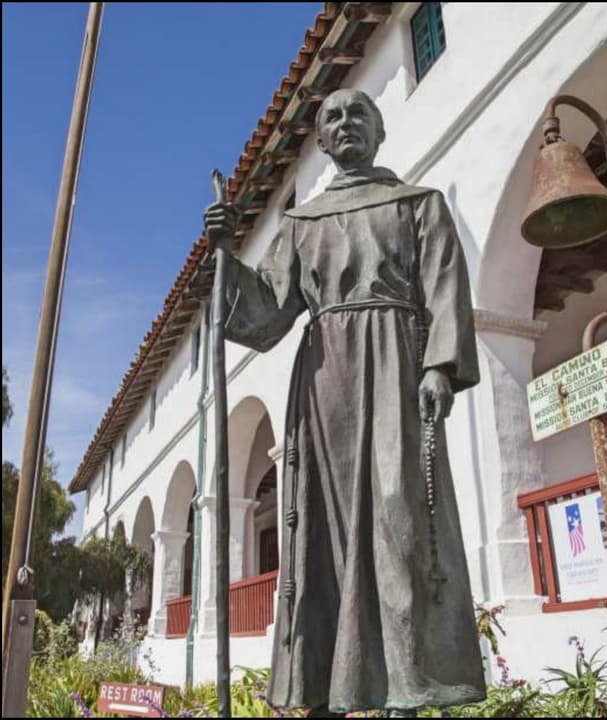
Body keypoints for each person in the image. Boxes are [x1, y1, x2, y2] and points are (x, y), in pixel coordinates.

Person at [203, 88, 485, 717]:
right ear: (323, 143)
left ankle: (409, 690)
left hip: (398, 370)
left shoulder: (419, 206)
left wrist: (439, 366)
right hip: (325, 385)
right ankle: (327, 691)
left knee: (401, 519)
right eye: (332, 118)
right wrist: (225, 255)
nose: (345, 122)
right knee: (324, 531)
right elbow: (267, 312)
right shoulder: (303, 225)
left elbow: (445, 285)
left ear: (378, 132)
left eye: (358, 112)